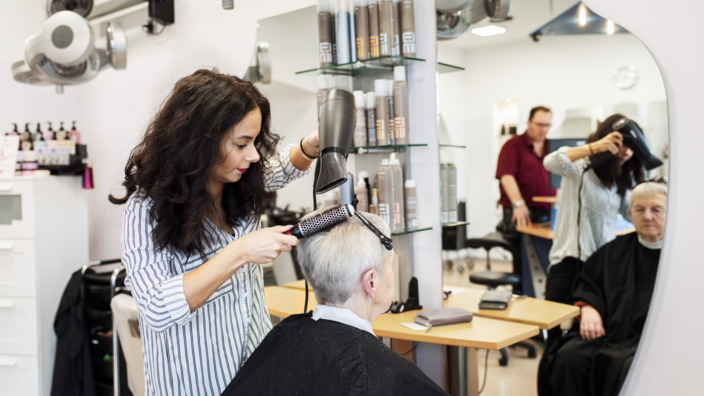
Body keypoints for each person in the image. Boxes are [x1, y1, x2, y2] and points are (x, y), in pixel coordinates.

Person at [108, 68, 319, 396]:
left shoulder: (238, 184)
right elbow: (155, 308)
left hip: (258, 375)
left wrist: (310, 146)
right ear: (200, 141)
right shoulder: (146, 210)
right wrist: (239, 252)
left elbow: (281, 168)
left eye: (254, 142)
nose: (252, 155)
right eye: (241, 143)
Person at [222, 210, 449, 396]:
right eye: (389, 265)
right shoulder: (371, 370)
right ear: (371, 281)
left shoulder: (285, 334)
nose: (391, 274)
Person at [540, 181, 667, 396]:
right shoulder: (613, 252)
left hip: (652, 340)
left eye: (656, 209)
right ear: (630, 214)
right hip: (608, 333)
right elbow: (588, 285)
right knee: (569, 357)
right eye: (639, 209)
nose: (647, 216)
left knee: (630, 369)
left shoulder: (680, 259)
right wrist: (588, 308)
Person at [495, 106, 557, 293]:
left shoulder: (551, 148)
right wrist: (519, 204)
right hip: (520, 212)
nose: (544, 129)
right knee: (525, 262)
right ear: (529, 123)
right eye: (539, 124)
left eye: (547, 125)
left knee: (548, 260)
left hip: (547, 212)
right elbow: (506, 176)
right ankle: (522, 298)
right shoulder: (512, 146)